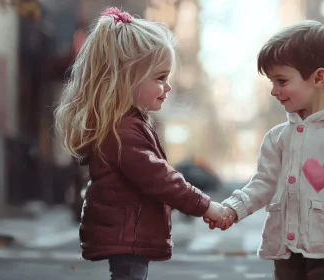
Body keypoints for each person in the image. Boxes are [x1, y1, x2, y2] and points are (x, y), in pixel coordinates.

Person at [53, 7, 229, 280]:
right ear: (127, 78)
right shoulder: (125, 132)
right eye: (160, 78)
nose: (167, 87)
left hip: (128, 232)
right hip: (128, 235)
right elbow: (161, 179)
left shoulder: (128, 124)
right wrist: (205, 205)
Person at [205, 20, 324, 280]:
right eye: (272, 82)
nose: (274, 91)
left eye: (281, 81)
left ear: (318, 77)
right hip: (285, 246)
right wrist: (233, 209)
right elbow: (262, 183)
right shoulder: (278, 137)